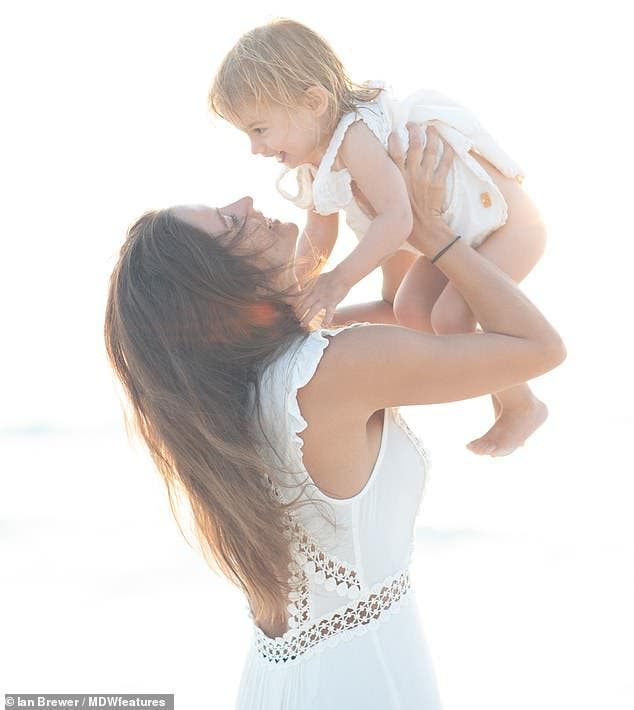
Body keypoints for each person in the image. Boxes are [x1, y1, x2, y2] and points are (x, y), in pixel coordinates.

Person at [104, 126, 565, 709]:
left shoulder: (247, 392)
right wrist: (438, 235)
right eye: (230, 222)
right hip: (364, 679)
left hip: (278, 680)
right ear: (218, 289)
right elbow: (538, 348)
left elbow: (406, 316)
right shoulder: (334, 366)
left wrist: (385, 209)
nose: (246, 203)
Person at [209, 18, 549, 458]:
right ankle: (517, 401)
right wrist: (292, 295)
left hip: (506, 223)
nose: (255, 147)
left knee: (449, 319)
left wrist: (339, 281)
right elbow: (319, 232)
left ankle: (522, 405)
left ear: (313, 102)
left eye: (259, 129)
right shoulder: (318, 161)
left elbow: (397, 220)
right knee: (409, 309)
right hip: (460, 234)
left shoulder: (354, 134)